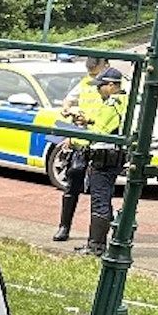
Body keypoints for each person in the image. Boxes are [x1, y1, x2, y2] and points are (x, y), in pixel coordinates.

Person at [51, 57, 107, 242]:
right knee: (72, 182)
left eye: (95, 72)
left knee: (99, 192)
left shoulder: (114, 86)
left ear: (105, 66)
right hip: (81, 141)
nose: (92, 77)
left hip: (101, 143)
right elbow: (68, 102)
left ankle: (96, 238)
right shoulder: (84, 82)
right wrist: (68, 111)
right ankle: (64, 227)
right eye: (90, 72)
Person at [76, 67, 129, 255]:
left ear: (112, 85)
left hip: (104, 159)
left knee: (100, 201)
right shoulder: (124, 100)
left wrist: (73, 138)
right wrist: (88, 120)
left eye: (101, 86)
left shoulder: (112, 103)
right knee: (104, 200)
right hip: (115, 157)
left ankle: (96, 246)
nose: (98, 90)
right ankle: (99, 243)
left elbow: (100, 132)